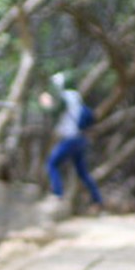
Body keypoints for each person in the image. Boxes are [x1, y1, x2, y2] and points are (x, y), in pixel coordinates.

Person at [38, 72, 103, 209]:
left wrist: (45, 103)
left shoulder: (64, 98)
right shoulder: (77, 97)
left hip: (70, 139)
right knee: (82, 172)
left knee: (52, 164)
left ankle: (58, 194)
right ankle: (97, 200)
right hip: (80, 139)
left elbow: (54, 110)